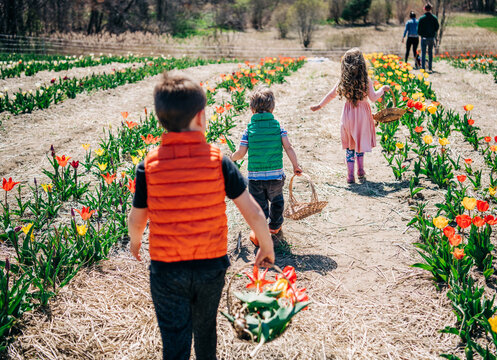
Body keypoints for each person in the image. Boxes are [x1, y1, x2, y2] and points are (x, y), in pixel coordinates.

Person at [128, 72, 275, 360]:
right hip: (210, 267)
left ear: (161, 121)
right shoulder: (218, 161)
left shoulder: (149, 166)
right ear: (200, 117)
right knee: (205, 328)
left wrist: (135, 242)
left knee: (174, 337)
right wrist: (266, 245)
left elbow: (137, 218)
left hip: (167, 269)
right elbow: (254, 212)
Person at [231, 86, 302, 242]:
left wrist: (230, 159)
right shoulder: (278, 128)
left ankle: (260, 232)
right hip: (275, 176)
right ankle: (275, 226)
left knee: (259, 205)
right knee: (277, 201)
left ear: (251, 109)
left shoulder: (249, 129)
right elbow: (288, 147)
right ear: (273, 108)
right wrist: (296, 165)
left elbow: (241, 153)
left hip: (255, 178)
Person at [310, 48, 390, 184]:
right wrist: (382, 89)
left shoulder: (343, 81)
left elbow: (331, 94)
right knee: (359, 143)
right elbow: (374, 97)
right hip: (363, 115)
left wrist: (319, 105)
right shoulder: (366, 80)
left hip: (348, 115)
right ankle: (360, 170)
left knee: (350, 145)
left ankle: (350, 175)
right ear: (362, 64)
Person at [417, 3, 440, 72]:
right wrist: (433, 33)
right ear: (431, 9)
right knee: (430, 53)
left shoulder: (421, 18)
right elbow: (437, 27)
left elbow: (418, 30)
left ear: (424, 9)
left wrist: (421, 34)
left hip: (424, 38)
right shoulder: (434, 18)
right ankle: (430, 68)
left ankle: (423, 68)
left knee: (423, 53)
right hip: (431, 38)